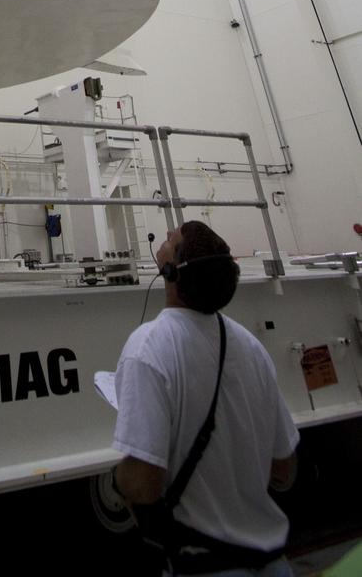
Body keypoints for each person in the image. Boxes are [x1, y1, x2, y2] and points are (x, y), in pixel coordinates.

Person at [112, 220, 299, 576]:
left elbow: (142, 484)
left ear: (173, 271)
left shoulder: (148, 349)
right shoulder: (251, 348)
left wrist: (118, 479)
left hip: (203, 565)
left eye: (173, 239)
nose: (167, 233)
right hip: (274, 564)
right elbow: (284, 469)